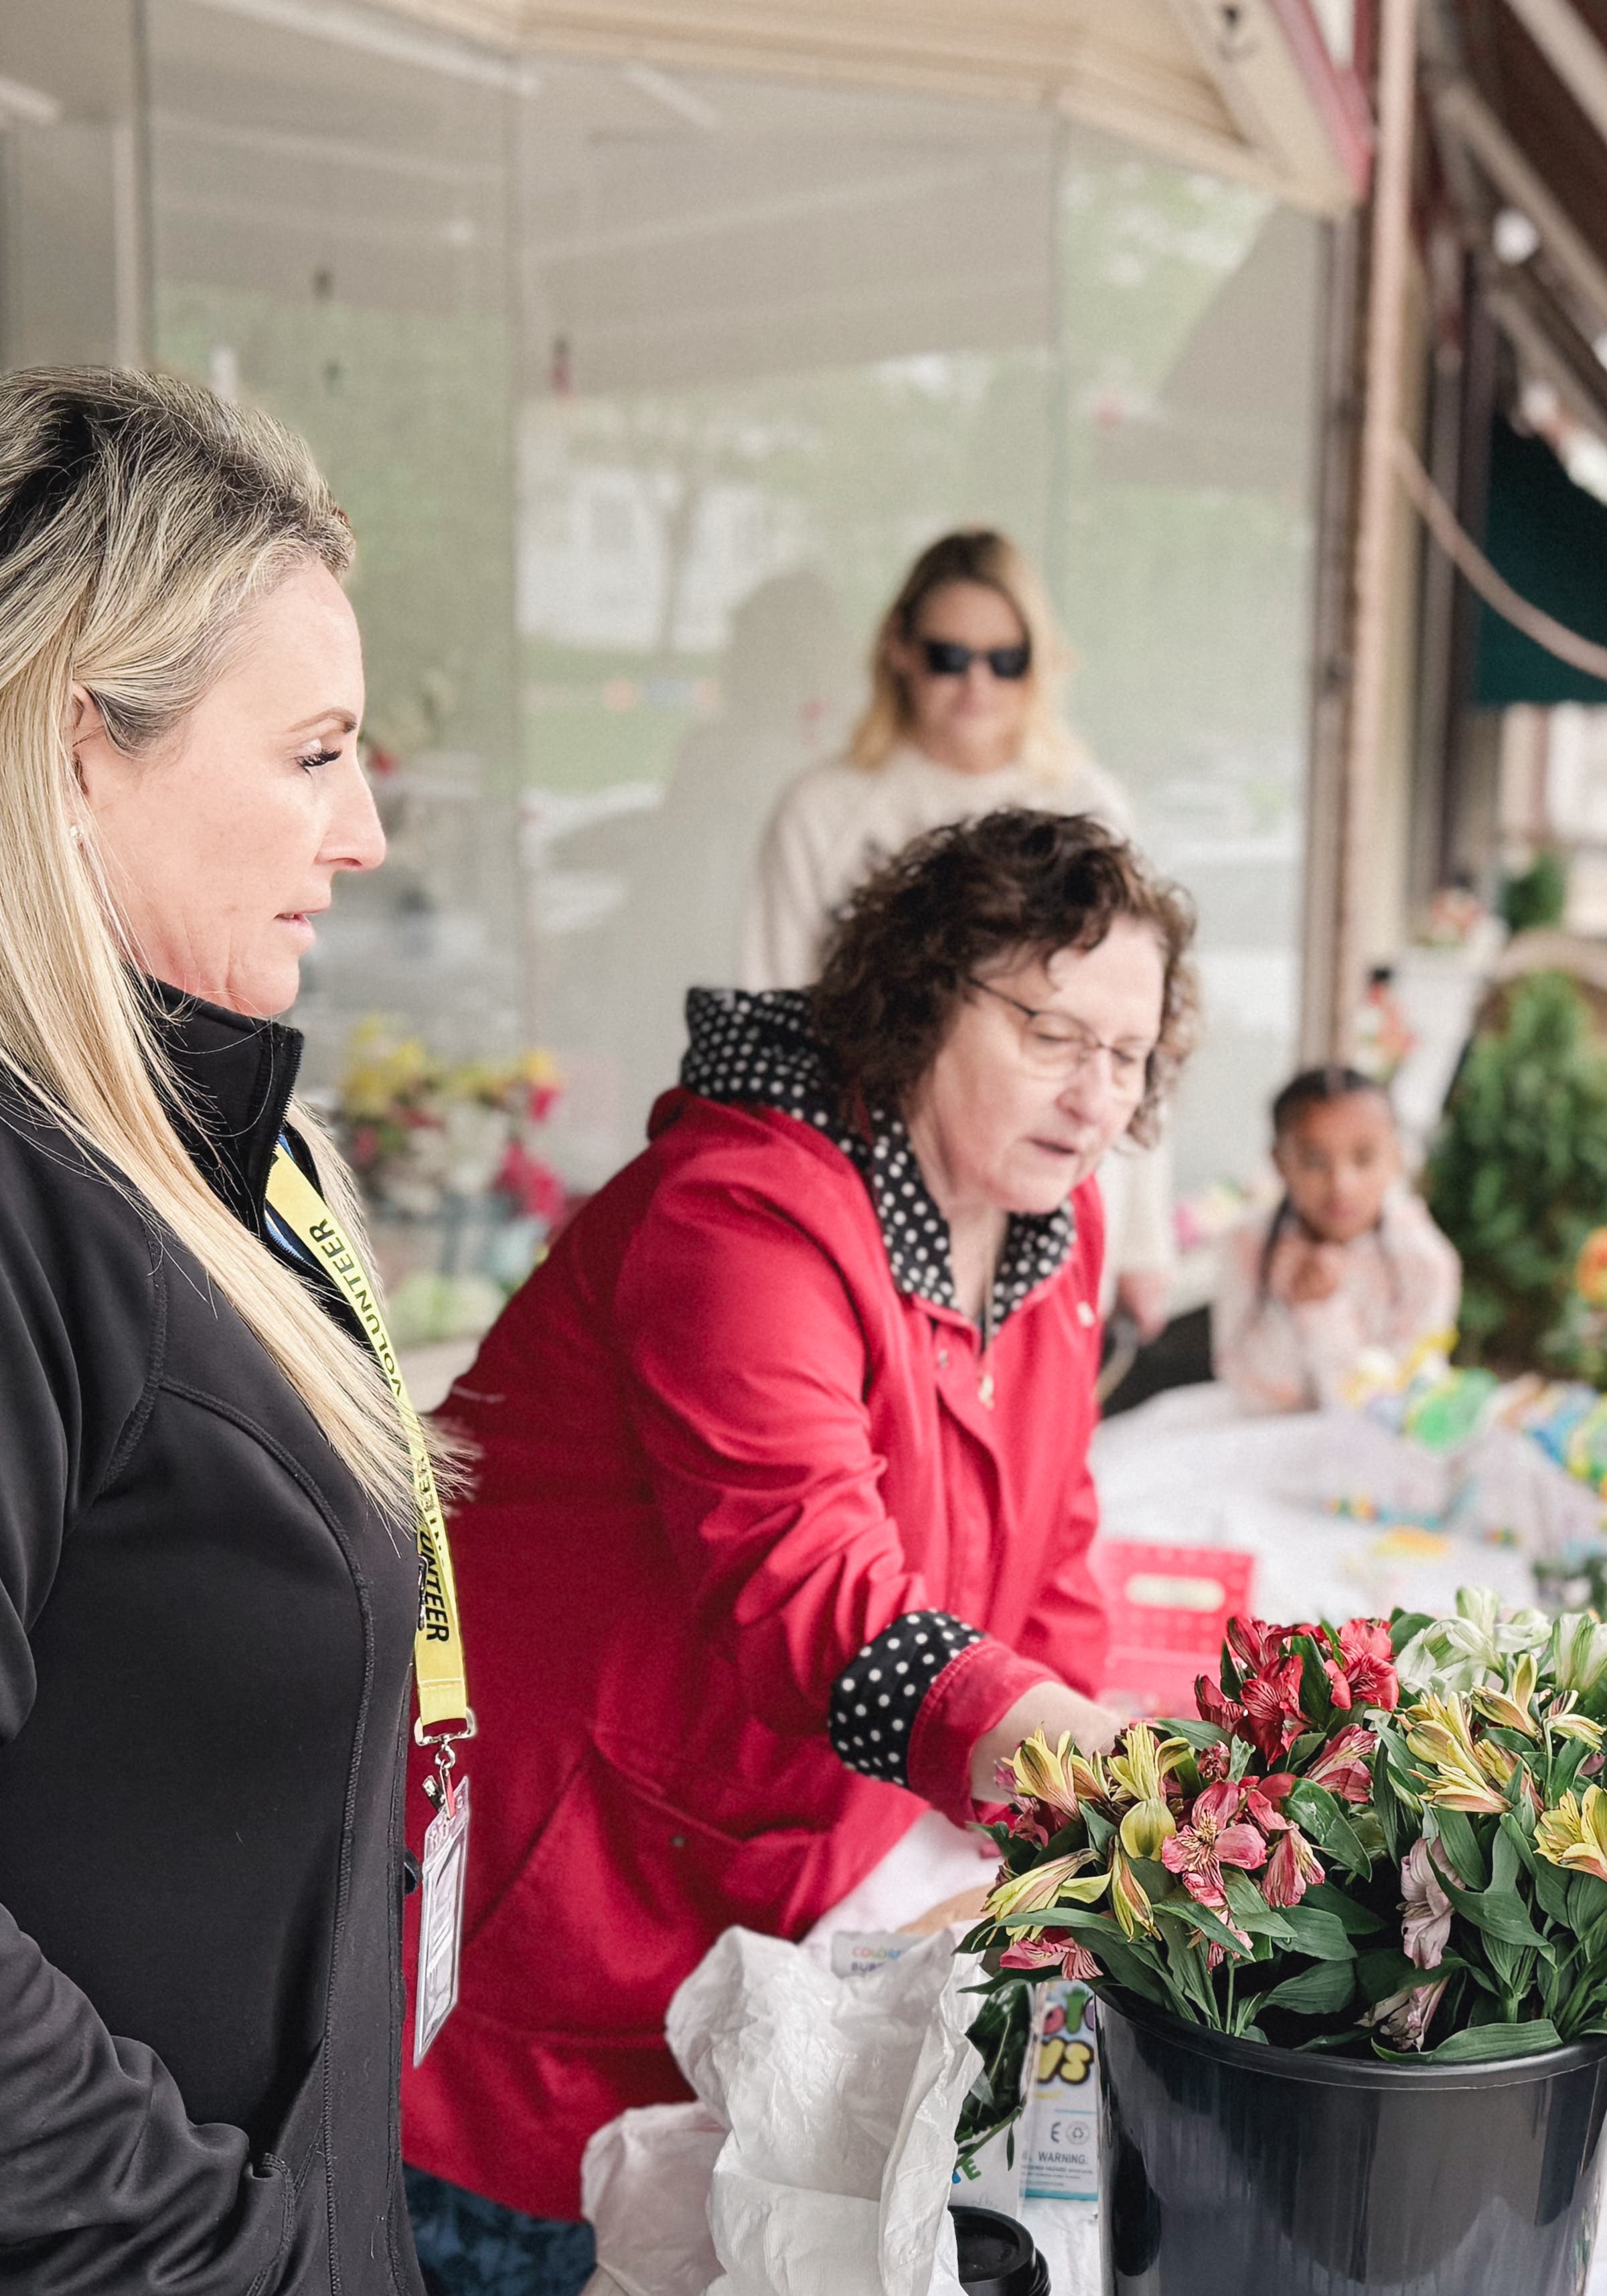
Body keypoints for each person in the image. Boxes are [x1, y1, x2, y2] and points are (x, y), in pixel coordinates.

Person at [400, 808, 1192, 2285]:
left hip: (783, 1895)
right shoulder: (744, 1209)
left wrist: (1066, 1833)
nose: (1098, 1097)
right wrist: (1105, 1789)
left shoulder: (1049, 1227)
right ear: (919, 993)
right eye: (1051, 1033)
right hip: (570, 1896)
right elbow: (806, 1591)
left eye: (1130, 1054)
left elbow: (1055, 1534)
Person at [0, 370, 437, 2287]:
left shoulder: (172, 1145)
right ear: (75, 748)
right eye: (310, 753)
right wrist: (245, 2257)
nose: (360, 831)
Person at [739, 529, 1176, 1335]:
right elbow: (774, 1015)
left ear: (1038, 664)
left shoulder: (1088, 805)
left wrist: (1143, 1241)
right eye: (949, 656)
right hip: (867, 1191)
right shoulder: (824, 809)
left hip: (1053, 1191)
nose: (977, 683)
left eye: (1004, 659)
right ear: (898, 651)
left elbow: (1131, 1036)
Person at [1215, 1065, 1462, 1412]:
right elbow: (1250, 1391)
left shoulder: (1426, 1262)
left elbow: (1397, 1401)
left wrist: (1324, 1311)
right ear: (1279, 1162)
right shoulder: (1247, 1244)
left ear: (1396, 1158)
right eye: (1314, 1161)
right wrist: (1296, 1305)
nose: (1341, 1185)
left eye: (1364, 1158)